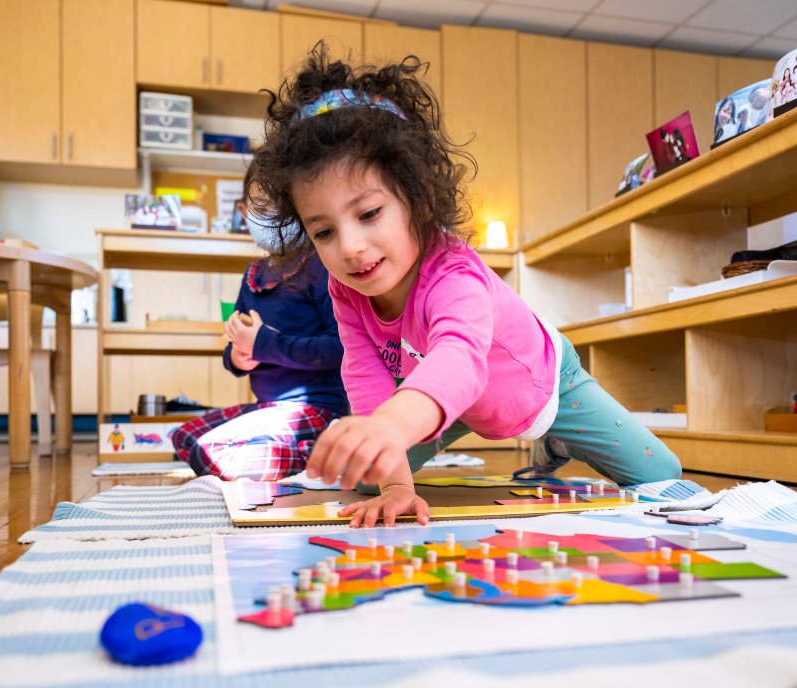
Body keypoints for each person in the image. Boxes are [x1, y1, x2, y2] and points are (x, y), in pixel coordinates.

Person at [246, 47, 680, 527]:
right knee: (371, 475)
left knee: (661, 477)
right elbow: (365, 373)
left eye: (369, 214)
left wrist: (392, 425)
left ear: (421, 199)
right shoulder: (345, 289)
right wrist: (392, 478)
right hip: (450, 400)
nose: (349, 247)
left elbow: (458, 360)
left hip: (543, 386)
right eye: (324, 231)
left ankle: (556, 439)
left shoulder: (454, 272)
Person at [169, 173, 349, 480]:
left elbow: (340, 347)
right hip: (268, 408)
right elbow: (239, 345)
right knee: (184, 437)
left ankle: (320, 453)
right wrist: (239, 357)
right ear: (244, 213)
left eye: (285, 206)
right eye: (263, 207)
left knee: (209, 451)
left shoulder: (320, 267)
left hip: (315, 410)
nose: (275, 217)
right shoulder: (253, 275)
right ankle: (303, 453)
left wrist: (264, 344)